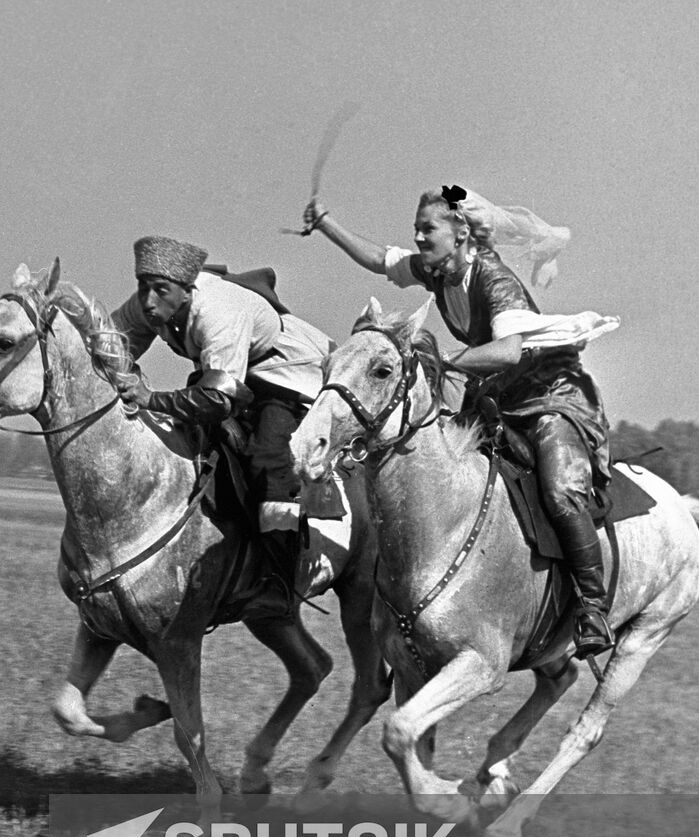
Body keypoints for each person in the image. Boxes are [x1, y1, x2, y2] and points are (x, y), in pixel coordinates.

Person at [302, 186, 618, 658]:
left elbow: (509, 351)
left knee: (558, 490)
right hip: (498, 396)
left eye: (427, 228)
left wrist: (442, 361)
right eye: (417, 228)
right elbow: (379, 260)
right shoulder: (438, 270)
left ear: (461, 232)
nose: (418, 236)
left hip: (551, 394)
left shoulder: (493, 277)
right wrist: (327, 224)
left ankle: (591, 609)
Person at [111, 235, 337, 619]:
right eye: (143, 288)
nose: (149, 301)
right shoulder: (152, 301)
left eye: (160, 291)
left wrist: (150, 397)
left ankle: (282, 581)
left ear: (186, 290)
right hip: (234, 374)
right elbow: (110, 346)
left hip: (288, 375)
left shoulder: (218, 311)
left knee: (267, 460)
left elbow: (220, 401)